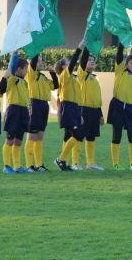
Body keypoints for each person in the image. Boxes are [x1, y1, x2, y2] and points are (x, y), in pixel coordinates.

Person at [107, 41, 132, 171]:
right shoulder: (120, 71)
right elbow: (119, 56)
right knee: (117, 135)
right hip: (117, 106)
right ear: (126, 64)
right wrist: (121, 42)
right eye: (131, 63)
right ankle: (116, 163)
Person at [53, 40, 84, 171]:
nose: (70, 66)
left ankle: (63, 162)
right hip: (68, 107)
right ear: (62, 68)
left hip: (74, 108)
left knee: (68, 135)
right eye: (66, 65)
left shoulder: (71, 78)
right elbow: (73, 62)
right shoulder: (64, 76)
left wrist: (80, 113)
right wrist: (79, 48)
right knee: (78, 134)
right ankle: (61, 159)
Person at [24, 54, 58, 172]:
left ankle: (39, 164)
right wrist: (36, 49)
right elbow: (33, 63)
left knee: (39, 136)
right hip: (35, 104)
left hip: (44, 106)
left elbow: (55, 86)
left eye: (41, 61)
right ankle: (29, 165)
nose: (40, 62)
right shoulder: (31, 74)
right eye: (38, 61)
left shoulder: (42, 76)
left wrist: (53, 73)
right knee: (32, 136)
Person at [2, 54, 31, 174]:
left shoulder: (24, 82)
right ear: (18, 69)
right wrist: (15, 52)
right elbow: (12, 66)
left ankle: (17, 166)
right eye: (25, 69)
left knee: (19, 140)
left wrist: (29, 106)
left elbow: (26, 96)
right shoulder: (12, 79)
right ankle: (6, 166)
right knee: (10, 139)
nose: (27, 71)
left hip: (23, 110)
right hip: (14, 110)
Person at [77, 48, 105, 171]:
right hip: (84, 109)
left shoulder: (95, 77)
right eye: (89, 60)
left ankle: (90, 163)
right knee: (79, 136)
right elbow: (83, 61)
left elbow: (97, 98)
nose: (92, 61)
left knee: (91, 136)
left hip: (95, 111)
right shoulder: (82, 75)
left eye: (93, 60)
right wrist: (87, 47)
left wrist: (100, 114)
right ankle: (75, 162)